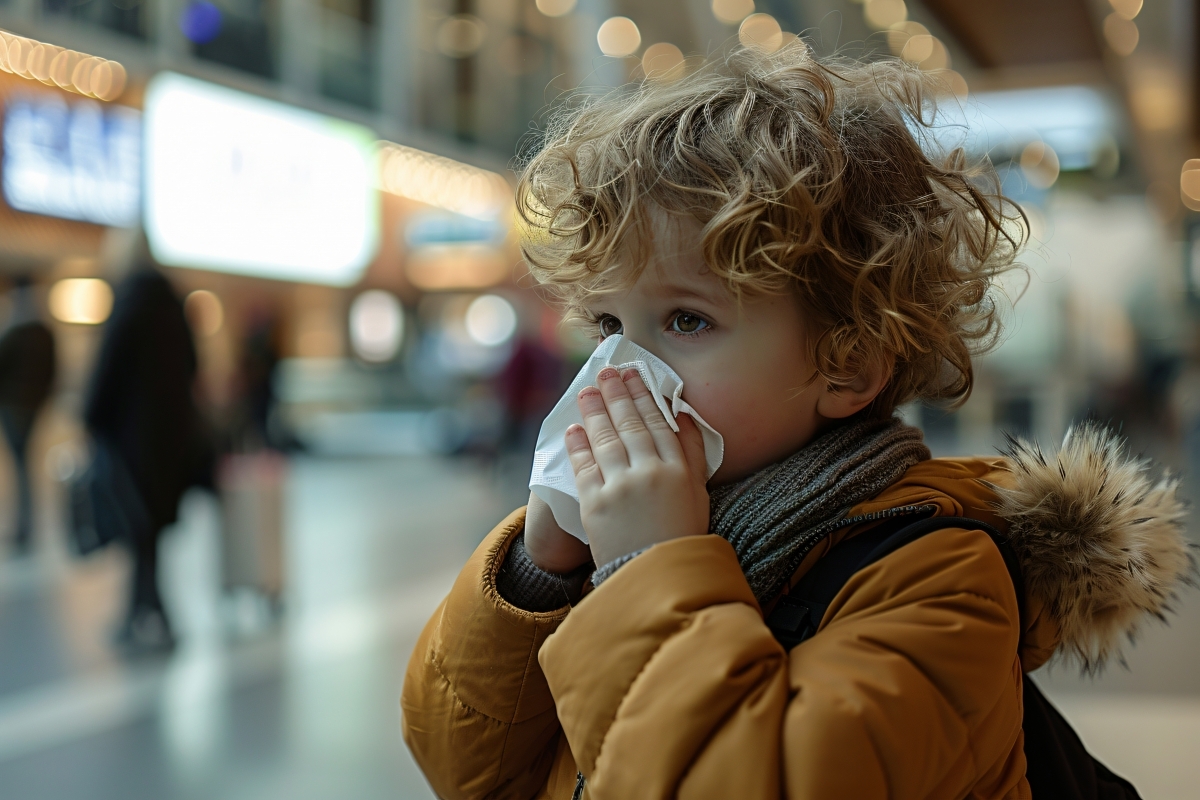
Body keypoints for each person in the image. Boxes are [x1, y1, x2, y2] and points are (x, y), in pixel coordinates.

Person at [401, 48, 1192, 799]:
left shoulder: (940, 580)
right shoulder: (606, 561)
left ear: (846, 362)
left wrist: (649, 566)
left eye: (685, 321)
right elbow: (468, 773)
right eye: (608, 323)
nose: (617, 373)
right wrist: (539, 574)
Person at [84, 233, 213, 651]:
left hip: (132, 441)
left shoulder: (128, 304)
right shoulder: (175, 305)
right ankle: (143, 616)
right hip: (172, 439)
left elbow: (106, 373)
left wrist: (90, 419)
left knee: (138, 528)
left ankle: (156, 617)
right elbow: (194, 367)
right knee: (148, 531)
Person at [0, 279, 56, 555]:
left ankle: (24, 527)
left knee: (21, 468)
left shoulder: (15, 331)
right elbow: (54, 372)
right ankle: (27, 525)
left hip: (14, 407)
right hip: (33, 406)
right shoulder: (44, 332)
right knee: (25, 467)